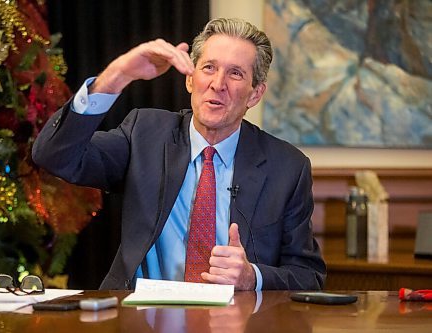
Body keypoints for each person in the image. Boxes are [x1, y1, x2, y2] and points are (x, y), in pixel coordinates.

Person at [32, 18, 326, 291]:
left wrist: (253, 277)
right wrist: (116, 77)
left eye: (235, 73)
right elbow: (54, 155)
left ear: (255, 94)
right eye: (208, 67)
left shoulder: (287, 167)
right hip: (139, 318)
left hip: (234, 322)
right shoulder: (144, 133)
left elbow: (308, 276)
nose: (218, 84)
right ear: (190, 79)